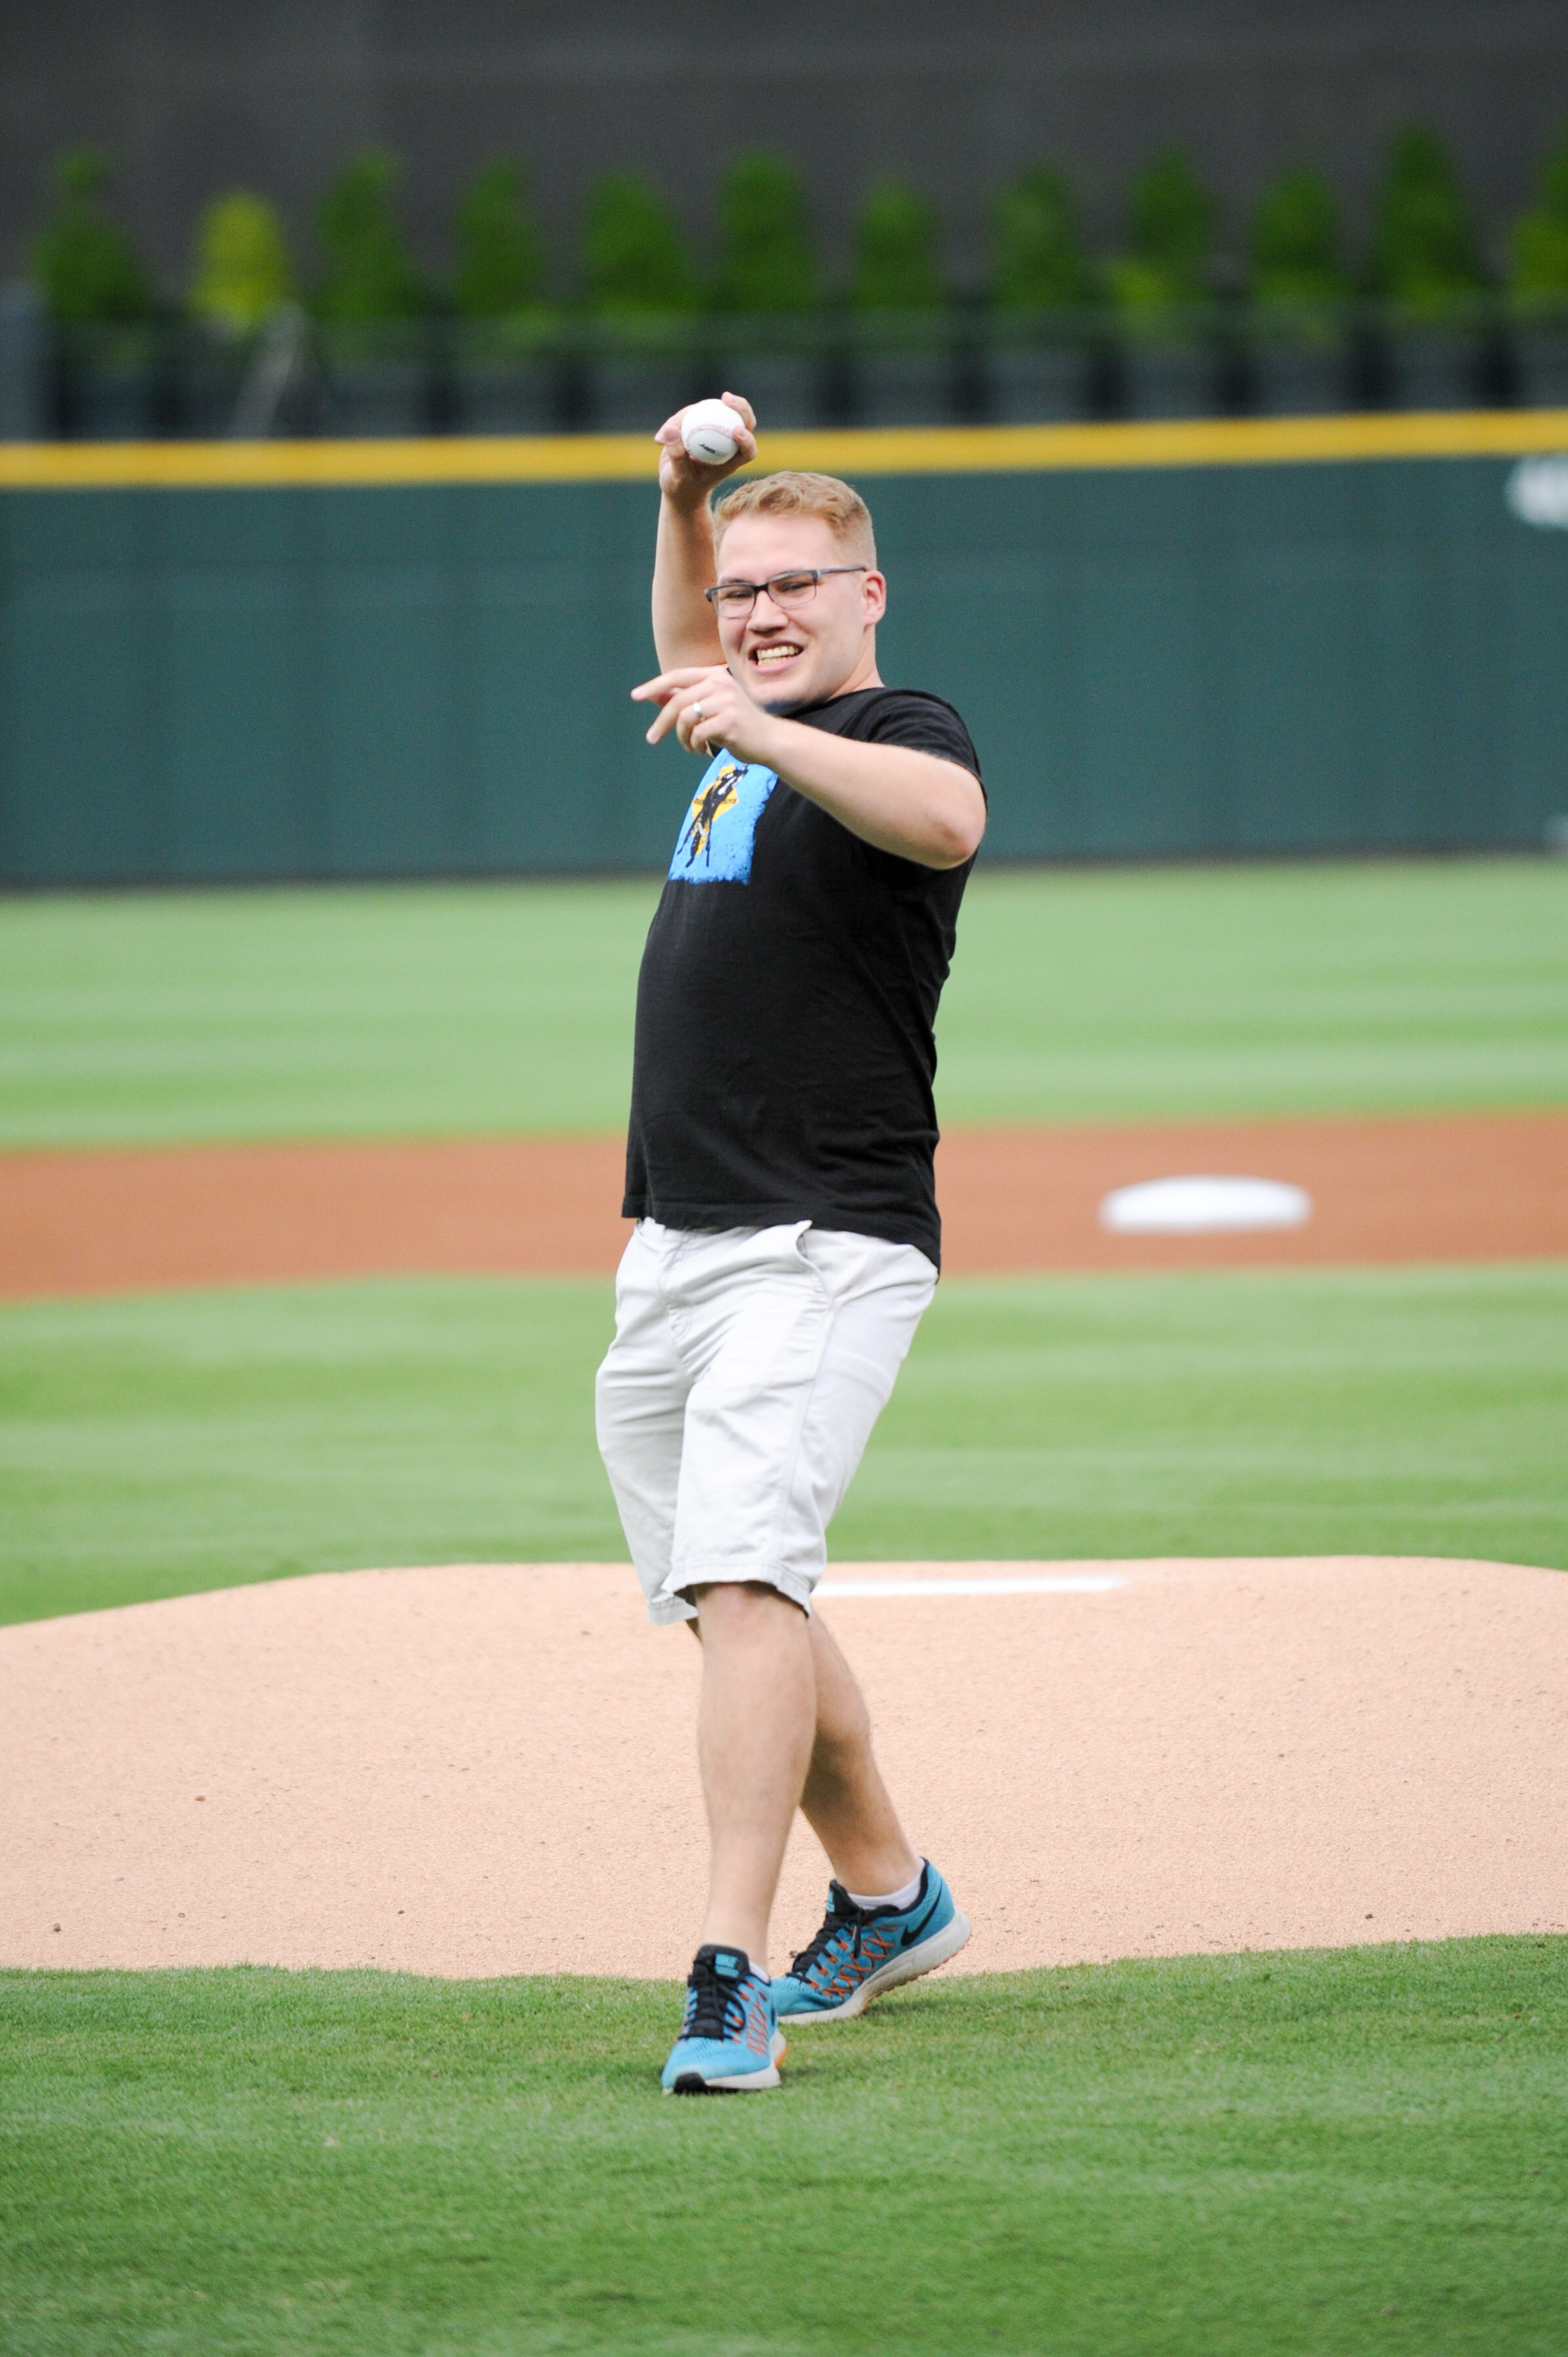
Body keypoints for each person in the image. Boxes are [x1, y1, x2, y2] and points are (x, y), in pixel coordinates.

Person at [594, 391, 988, 2094]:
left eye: (795, 586)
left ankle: (724, 1973)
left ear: (866, 592)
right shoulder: (732, 679)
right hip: (674, 1240)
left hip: (824, 1232)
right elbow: (691, 630)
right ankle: (893, 1897)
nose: (759, 615)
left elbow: (944, 822)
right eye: (743, 592)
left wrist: (763, 727)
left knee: (745, 1574)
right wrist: (681, 491)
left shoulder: (894, 724)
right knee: (730, 1592)